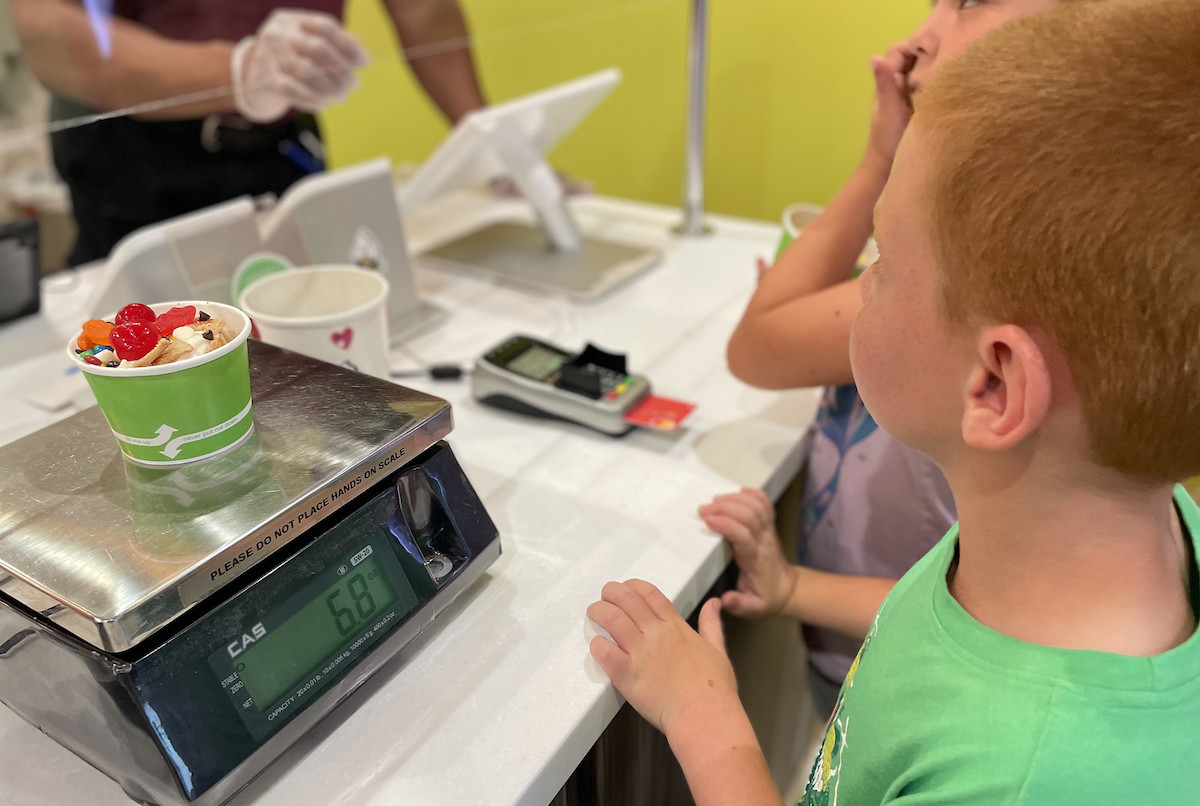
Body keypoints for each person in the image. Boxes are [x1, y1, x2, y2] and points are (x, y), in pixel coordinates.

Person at [587, 0, 1200, 802]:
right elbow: (943, 625)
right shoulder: (1138, 536)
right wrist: (795, 589)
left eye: (883, 262)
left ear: (993, 385)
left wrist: (708, 721)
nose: (862, 283)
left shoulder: (1018, 780)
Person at [721, 0, 1091, 717]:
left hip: (906, 681)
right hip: (879, 655)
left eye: (967, 3)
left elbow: (759, 344)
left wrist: (876, 161)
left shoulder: (978, 274)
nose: (917, 38)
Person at [10, 0, 488, 265]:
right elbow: (47, 27)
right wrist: (234, 73)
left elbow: (424, 10)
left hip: (282, 141)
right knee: (147, 349)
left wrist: (487, 139)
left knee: (305, 311)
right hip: (135, 147)